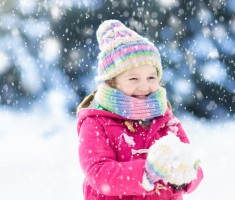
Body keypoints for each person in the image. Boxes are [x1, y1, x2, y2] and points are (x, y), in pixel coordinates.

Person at [76, 19, 203, 200]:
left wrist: (184, 174)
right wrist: (145, 173)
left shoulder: (165, 120)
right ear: (112, 83)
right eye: (133, 79)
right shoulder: (96, 122)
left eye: (151, 77)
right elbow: (99, 173)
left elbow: (192, 165)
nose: (144, 87)